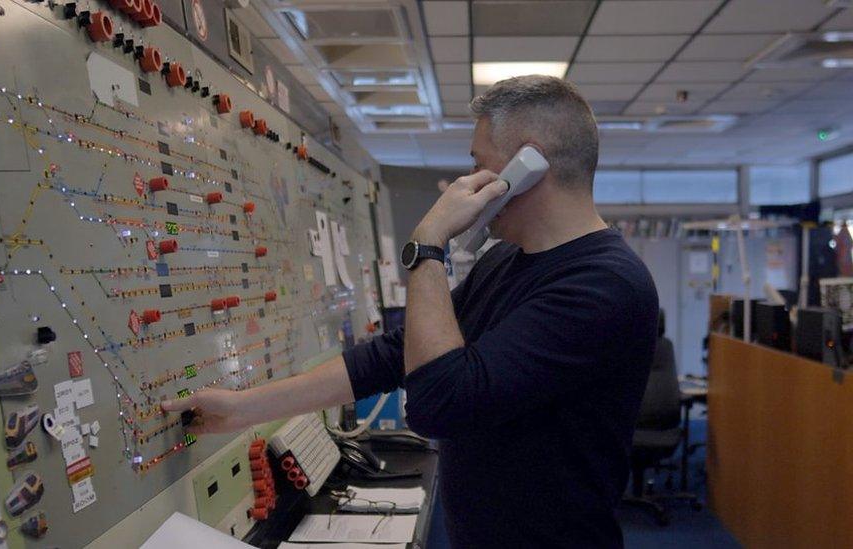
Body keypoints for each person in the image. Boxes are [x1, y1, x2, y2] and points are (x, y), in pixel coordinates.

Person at [163, 75, 659, 548]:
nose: (467, 182)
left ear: (528, 167)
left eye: (478, 164)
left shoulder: (605, 285)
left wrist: (428, 247)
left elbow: (440, 402)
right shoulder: (507, 259)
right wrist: (245, 408)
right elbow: (397, 354)